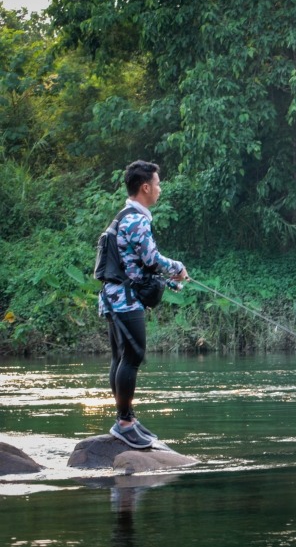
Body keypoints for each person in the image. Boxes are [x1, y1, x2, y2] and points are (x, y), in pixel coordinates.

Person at [98, 160, 188, 449]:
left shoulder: (124, 216)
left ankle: (127, 419)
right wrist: (178, 267)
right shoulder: (137, 219)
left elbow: (136, 267)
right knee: (132, 357)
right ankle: (124, 423)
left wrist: (169, 282)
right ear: (145, 187)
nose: (160, 189)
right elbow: (151, 259)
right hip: (124, 302)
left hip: (115, 298)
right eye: (158, 184)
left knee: (120, 358)